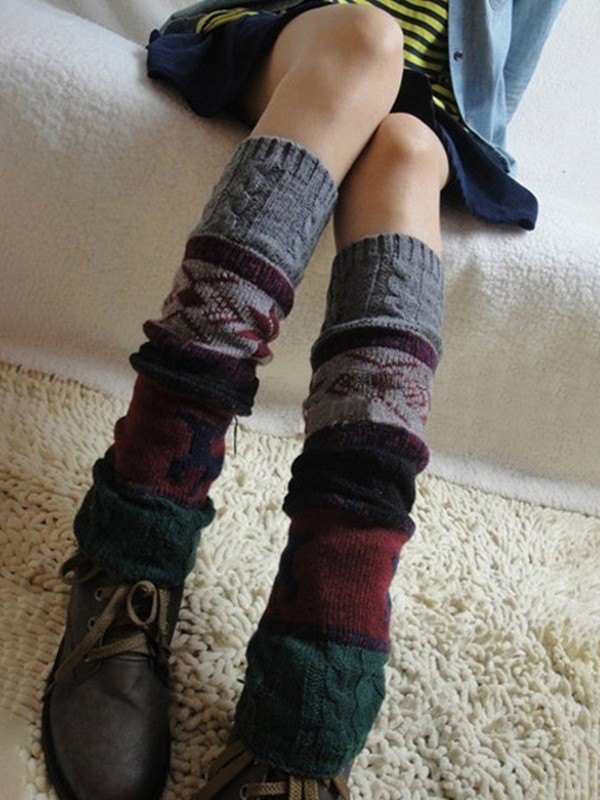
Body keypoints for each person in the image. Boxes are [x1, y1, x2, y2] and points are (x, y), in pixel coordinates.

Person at [40, 0, 567, 798]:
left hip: (431, 105)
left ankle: (315, 673)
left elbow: (508, 59)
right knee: (368, 40)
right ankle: (131, 551)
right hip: (305, 40)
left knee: (407, 148)